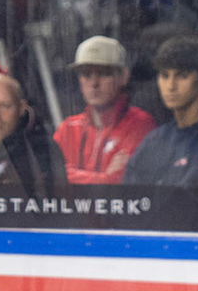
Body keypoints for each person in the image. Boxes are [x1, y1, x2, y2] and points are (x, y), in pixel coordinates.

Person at [53, 35, 154, 184]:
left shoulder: (141, 125)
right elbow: (51, 180)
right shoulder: (68, 128)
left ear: (123, 76)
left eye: (104, 73)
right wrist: (105, 178)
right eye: (86, 74)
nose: (94, 83)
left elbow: (126, 186)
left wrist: (74, 176)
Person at [123, 34, 198, 188]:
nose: (171, 86)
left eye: (182, 76)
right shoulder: (155, 141)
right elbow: (131, 196)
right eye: (165, 76)